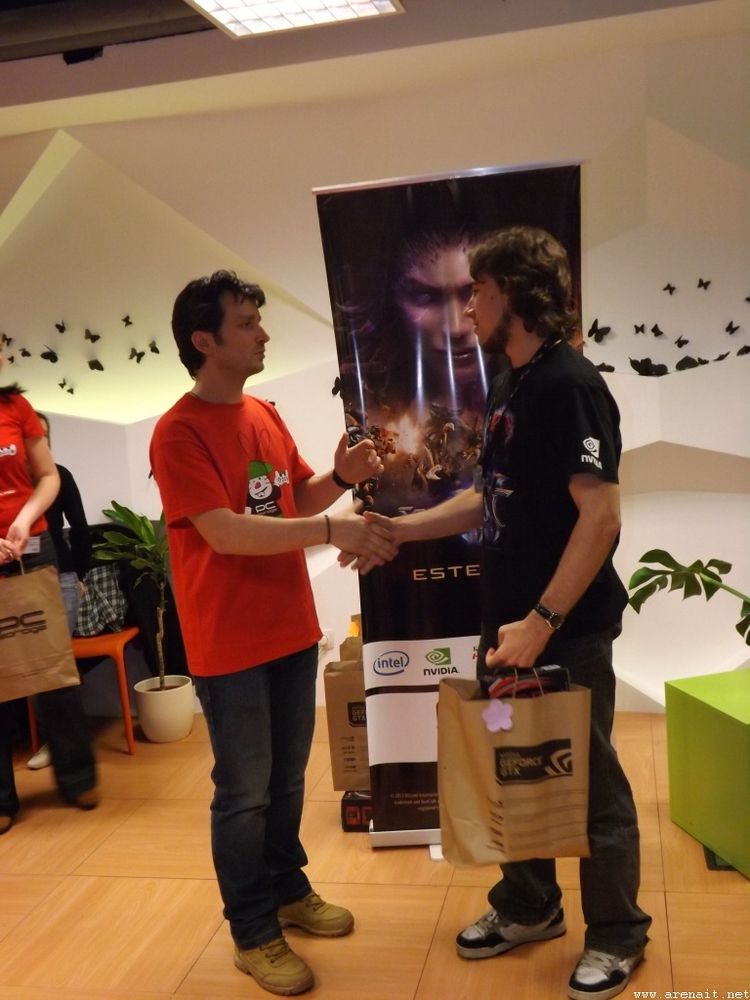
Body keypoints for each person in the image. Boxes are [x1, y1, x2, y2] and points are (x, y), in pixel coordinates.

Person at [351, 227, 652, 1000]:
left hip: (562, 633)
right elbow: (488, 496)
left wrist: (542, 622)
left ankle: (618, 934)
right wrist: (397, 530)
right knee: (513, 770)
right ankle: (528, 906)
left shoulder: (569, 385)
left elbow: (601, 517)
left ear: (512, 293)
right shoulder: (515, 382)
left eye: (478, 293)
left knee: (588, 782)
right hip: (509, 630)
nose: (468, 311)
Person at [149, 270, 396, 997]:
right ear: (204, 341)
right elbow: (226, 533)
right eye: (247, 323)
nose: (262, 333)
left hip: (289, 628)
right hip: (227, 644)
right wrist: (331, 527)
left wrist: (339, 479)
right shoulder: (178, 432)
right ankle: (253, 931)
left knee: (287, 781)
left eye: (259, 320)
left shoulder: (264, 412)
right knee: (244, 792)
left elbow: (293, 498)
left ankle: (288, 889)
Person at [0, 350, 98, 835]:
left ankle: (78, 778)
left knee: (53, 672)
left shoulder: (16, 407)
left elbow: (48, 476)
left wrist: (22, 520)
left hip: (34, 549)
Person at [26, 411, 92, 770]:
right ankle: (57, 742)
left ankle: (62, 747)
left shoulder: (59, 475)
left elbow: (80, 530)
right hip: (18, 585)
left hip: (60, 578)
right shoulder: (10, 482)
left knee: (54, 665)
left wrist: (78, 575)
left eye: (42, 434)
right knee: (33, 666)